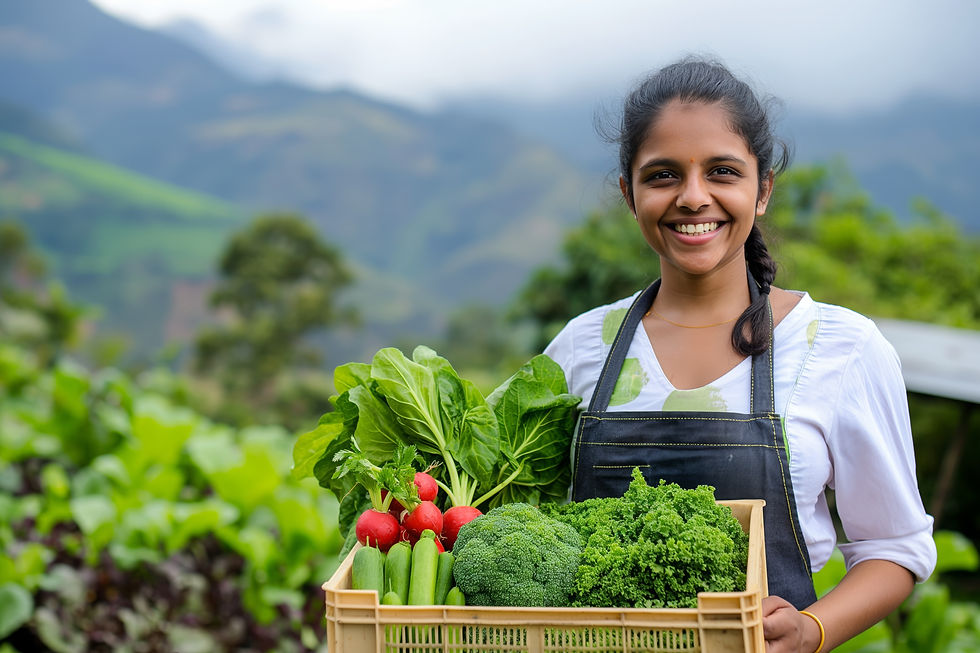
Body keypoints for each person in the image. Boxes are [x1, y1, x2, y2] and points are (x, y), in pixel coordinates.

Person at [544, 57, 936, 652]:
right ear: (630, 194)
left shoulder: (840, 347)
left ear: (764, 189)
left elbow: (895, 548)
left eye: (723, 171)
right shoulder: (581, 347)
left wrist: (812, 629)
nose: (693, 197)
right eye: (663, 175)